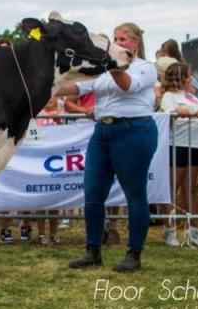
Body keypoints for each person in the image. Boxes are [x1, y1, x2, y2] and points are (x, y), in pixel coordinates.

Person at [56, 22, 158, 272]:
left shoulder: (146, 68)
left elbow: (128, 85)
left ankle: (134, 253)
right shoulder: (103, 70)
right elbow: (80, 87)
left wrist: (112, 63)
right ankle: (92, 251)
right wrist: (49, 85)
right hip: (103, 132)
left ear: (136, 42)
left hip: (134, 131)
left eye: (123, 39)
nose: (118, 42)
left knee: (134, 194)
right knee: (92, 193)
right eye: (115, 38)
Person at [159, 62, 198, 246]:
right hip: (178, 145)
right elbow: (168, 115)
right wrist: (177, 111)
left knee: (190, 188)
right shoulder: (168, 96)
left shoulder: (191, 96)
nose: (191, 78)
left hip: (194, 145)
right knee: (173, 189)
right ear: (181, 78)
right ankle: (170, 230)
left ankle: (193, 231)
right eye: (188, 75)